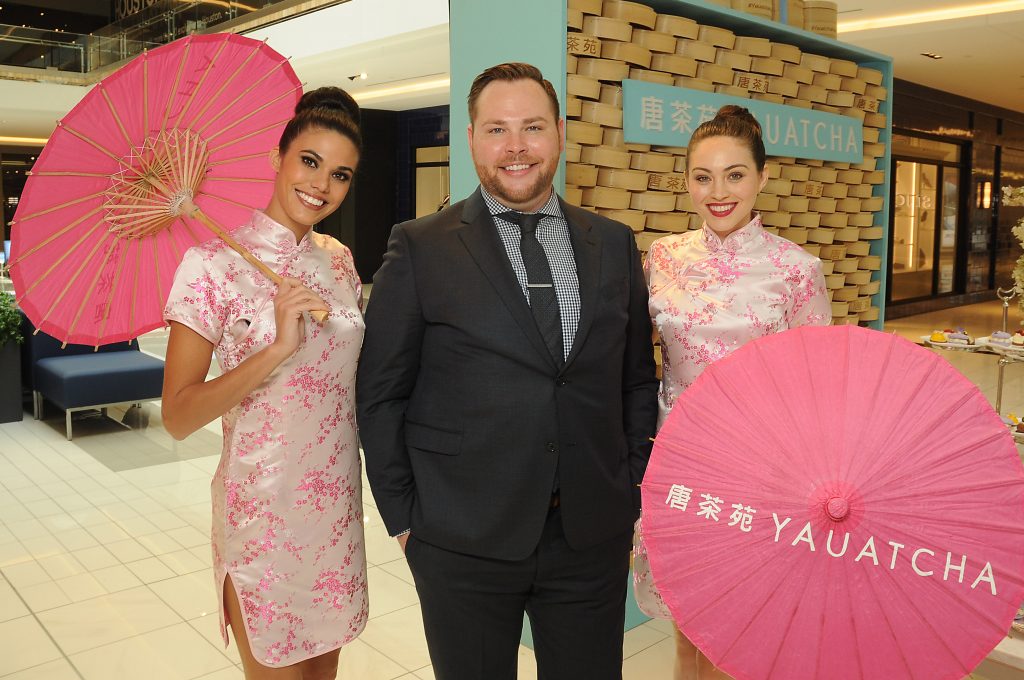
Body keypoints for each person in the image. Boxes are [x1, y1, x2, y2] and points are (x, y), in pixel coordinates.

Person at [356, 62, 658, 680]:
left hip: (588, 535)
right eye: (497, 129)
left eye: (532, 127)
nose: (515, 147)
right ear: (470, 138)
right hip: (459, 534)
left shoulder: (614, 242)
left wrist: (627, 490)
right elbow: (381, 391)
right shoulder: (420, 246)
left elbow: (633, 379)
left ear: (561, 134)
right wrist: (408, 518)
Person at [161, 87, 367, 680]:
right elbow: (177, 415)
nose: (321, 185)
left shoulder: (341, 261)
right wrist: (276, 349)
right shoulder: (210, 266)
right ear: (277, 158)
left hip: (335, 512)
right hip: (263, 516)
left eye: (341, 174)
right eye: (309, 161)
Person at [633, 105, 832, 680]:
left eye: (735, 174)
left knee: (738, 639)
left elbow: (817, 389)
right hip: (677, 463)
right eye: (703, 177)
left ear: (763, 177)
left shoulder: (797, 270)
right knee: (686, 631)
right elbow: (635, 364)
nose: (718, 192)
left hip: (760, 472)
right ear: (687, 181)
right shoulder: (663, 258)